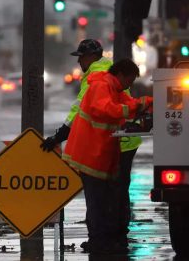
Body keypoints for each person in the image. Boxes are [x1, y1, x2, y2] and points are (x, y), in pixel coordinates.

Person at [40, 39, 142, 249]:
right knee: (118, 192)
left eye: (81, 57)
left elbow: (79, 111)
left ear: (90, 57)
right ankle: (117, 237)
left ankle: (106, 238)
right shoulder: (109, 71)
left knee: (101, 194)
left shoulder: (96, 77)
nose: (79, 62)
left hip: (112, 142)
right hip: (124, 140)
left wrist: (57, 138)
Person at [62, 59, 152, 255]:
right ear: (120, 74)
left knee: (103, 200)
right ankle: (98, 241)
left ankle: (102, 239)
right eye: (130, 80)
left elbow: (126, 103)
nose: (130, 85)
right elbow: (106, 110)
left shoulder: (113, 88)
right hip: (90, 154)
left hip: (99, 154)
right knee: (97, 201)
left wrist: (146, 103)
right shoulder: (101, 86)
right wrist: (136, 108)